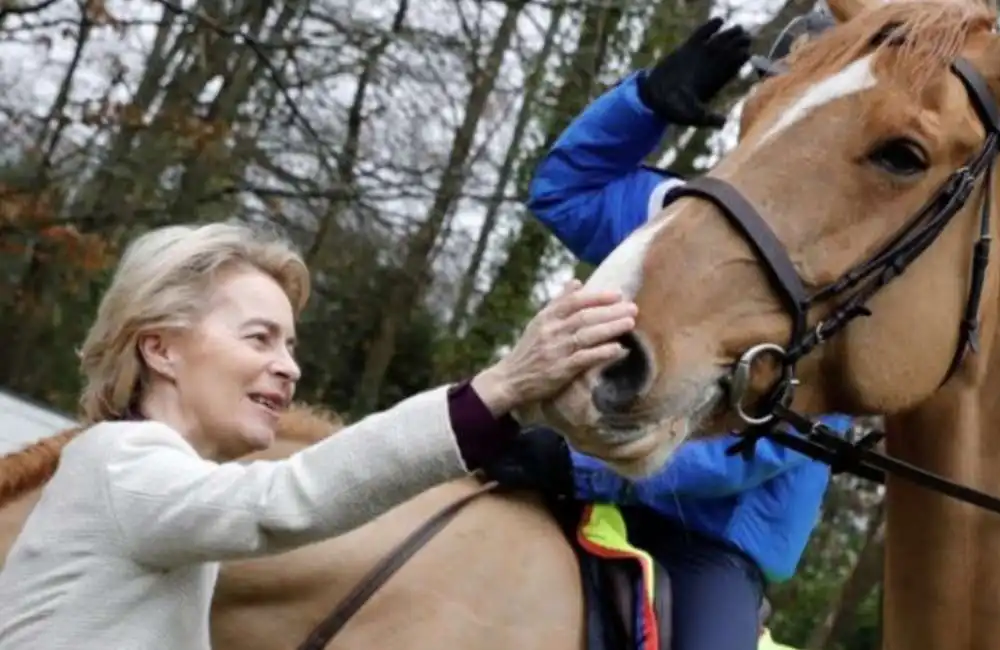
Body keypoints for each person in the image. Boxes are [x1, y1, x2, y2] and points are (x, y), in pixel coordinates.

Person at [0, 221, 637, 650]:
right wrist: (502, 387)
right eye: (259, 337)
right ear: (160, 349)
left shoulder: (153, 487)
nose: (289, 365)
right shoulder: (124, 462)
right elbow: (287, 498)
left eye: (291, 344)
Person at [484, 16, 851, 650]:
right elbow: (562, 192)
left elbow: (753, 455)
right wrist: (644, 102)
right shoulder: (678, 214)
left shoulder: (853, 281)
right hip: (570, 468)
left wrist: (582, 466)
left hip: (707, 544)